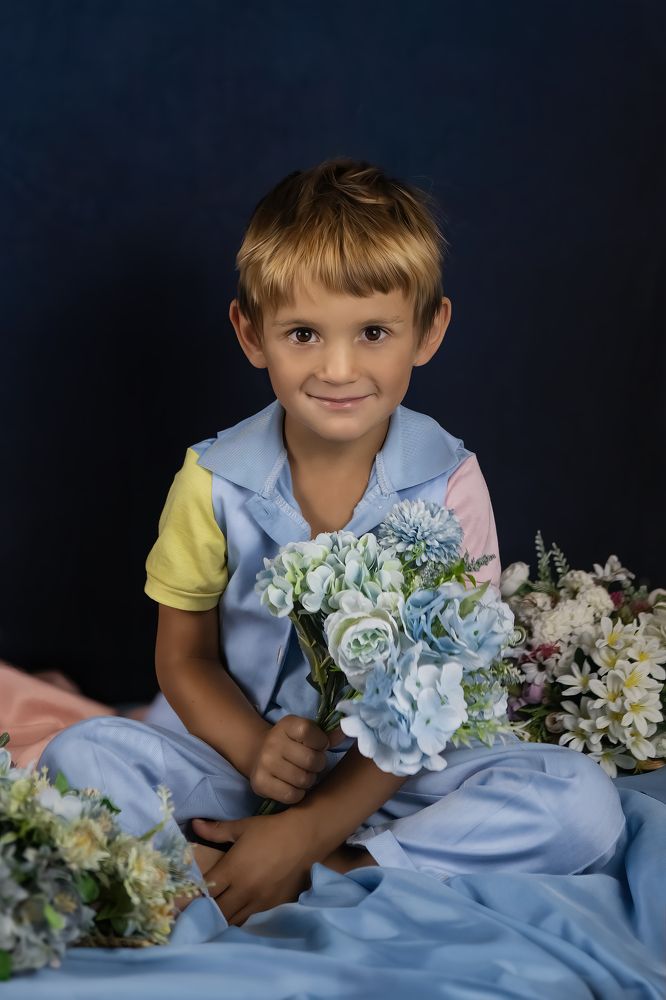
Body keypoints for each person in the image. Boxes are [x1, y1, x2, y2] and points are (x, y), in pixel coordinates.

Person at [39, 158, 625, 929]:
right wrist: (254, 750)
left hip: (401, 778)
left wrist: (314, 829)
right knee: (74, 760)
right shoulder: (210, 481)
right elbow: (183, 659)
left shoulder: (450, 483)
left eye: (374, 332)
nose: (339, 369)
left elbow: (441, 702)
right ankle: (246, 856)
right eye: (304, 333)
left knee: (585, 804)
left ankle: (323, 869)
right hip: (237, 763)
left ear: (429, 330)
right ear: (252, 335)